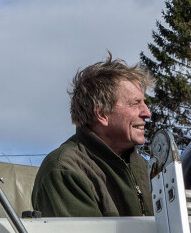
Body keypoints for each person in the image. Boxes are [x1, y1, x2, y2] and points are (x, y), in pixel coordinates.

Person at [31, 54, 155, 217]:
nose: (147, 113)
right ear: (102, 113)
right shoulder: (65, 170)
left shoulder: (147, 169)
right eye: (135, 103)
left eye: (144, 103)